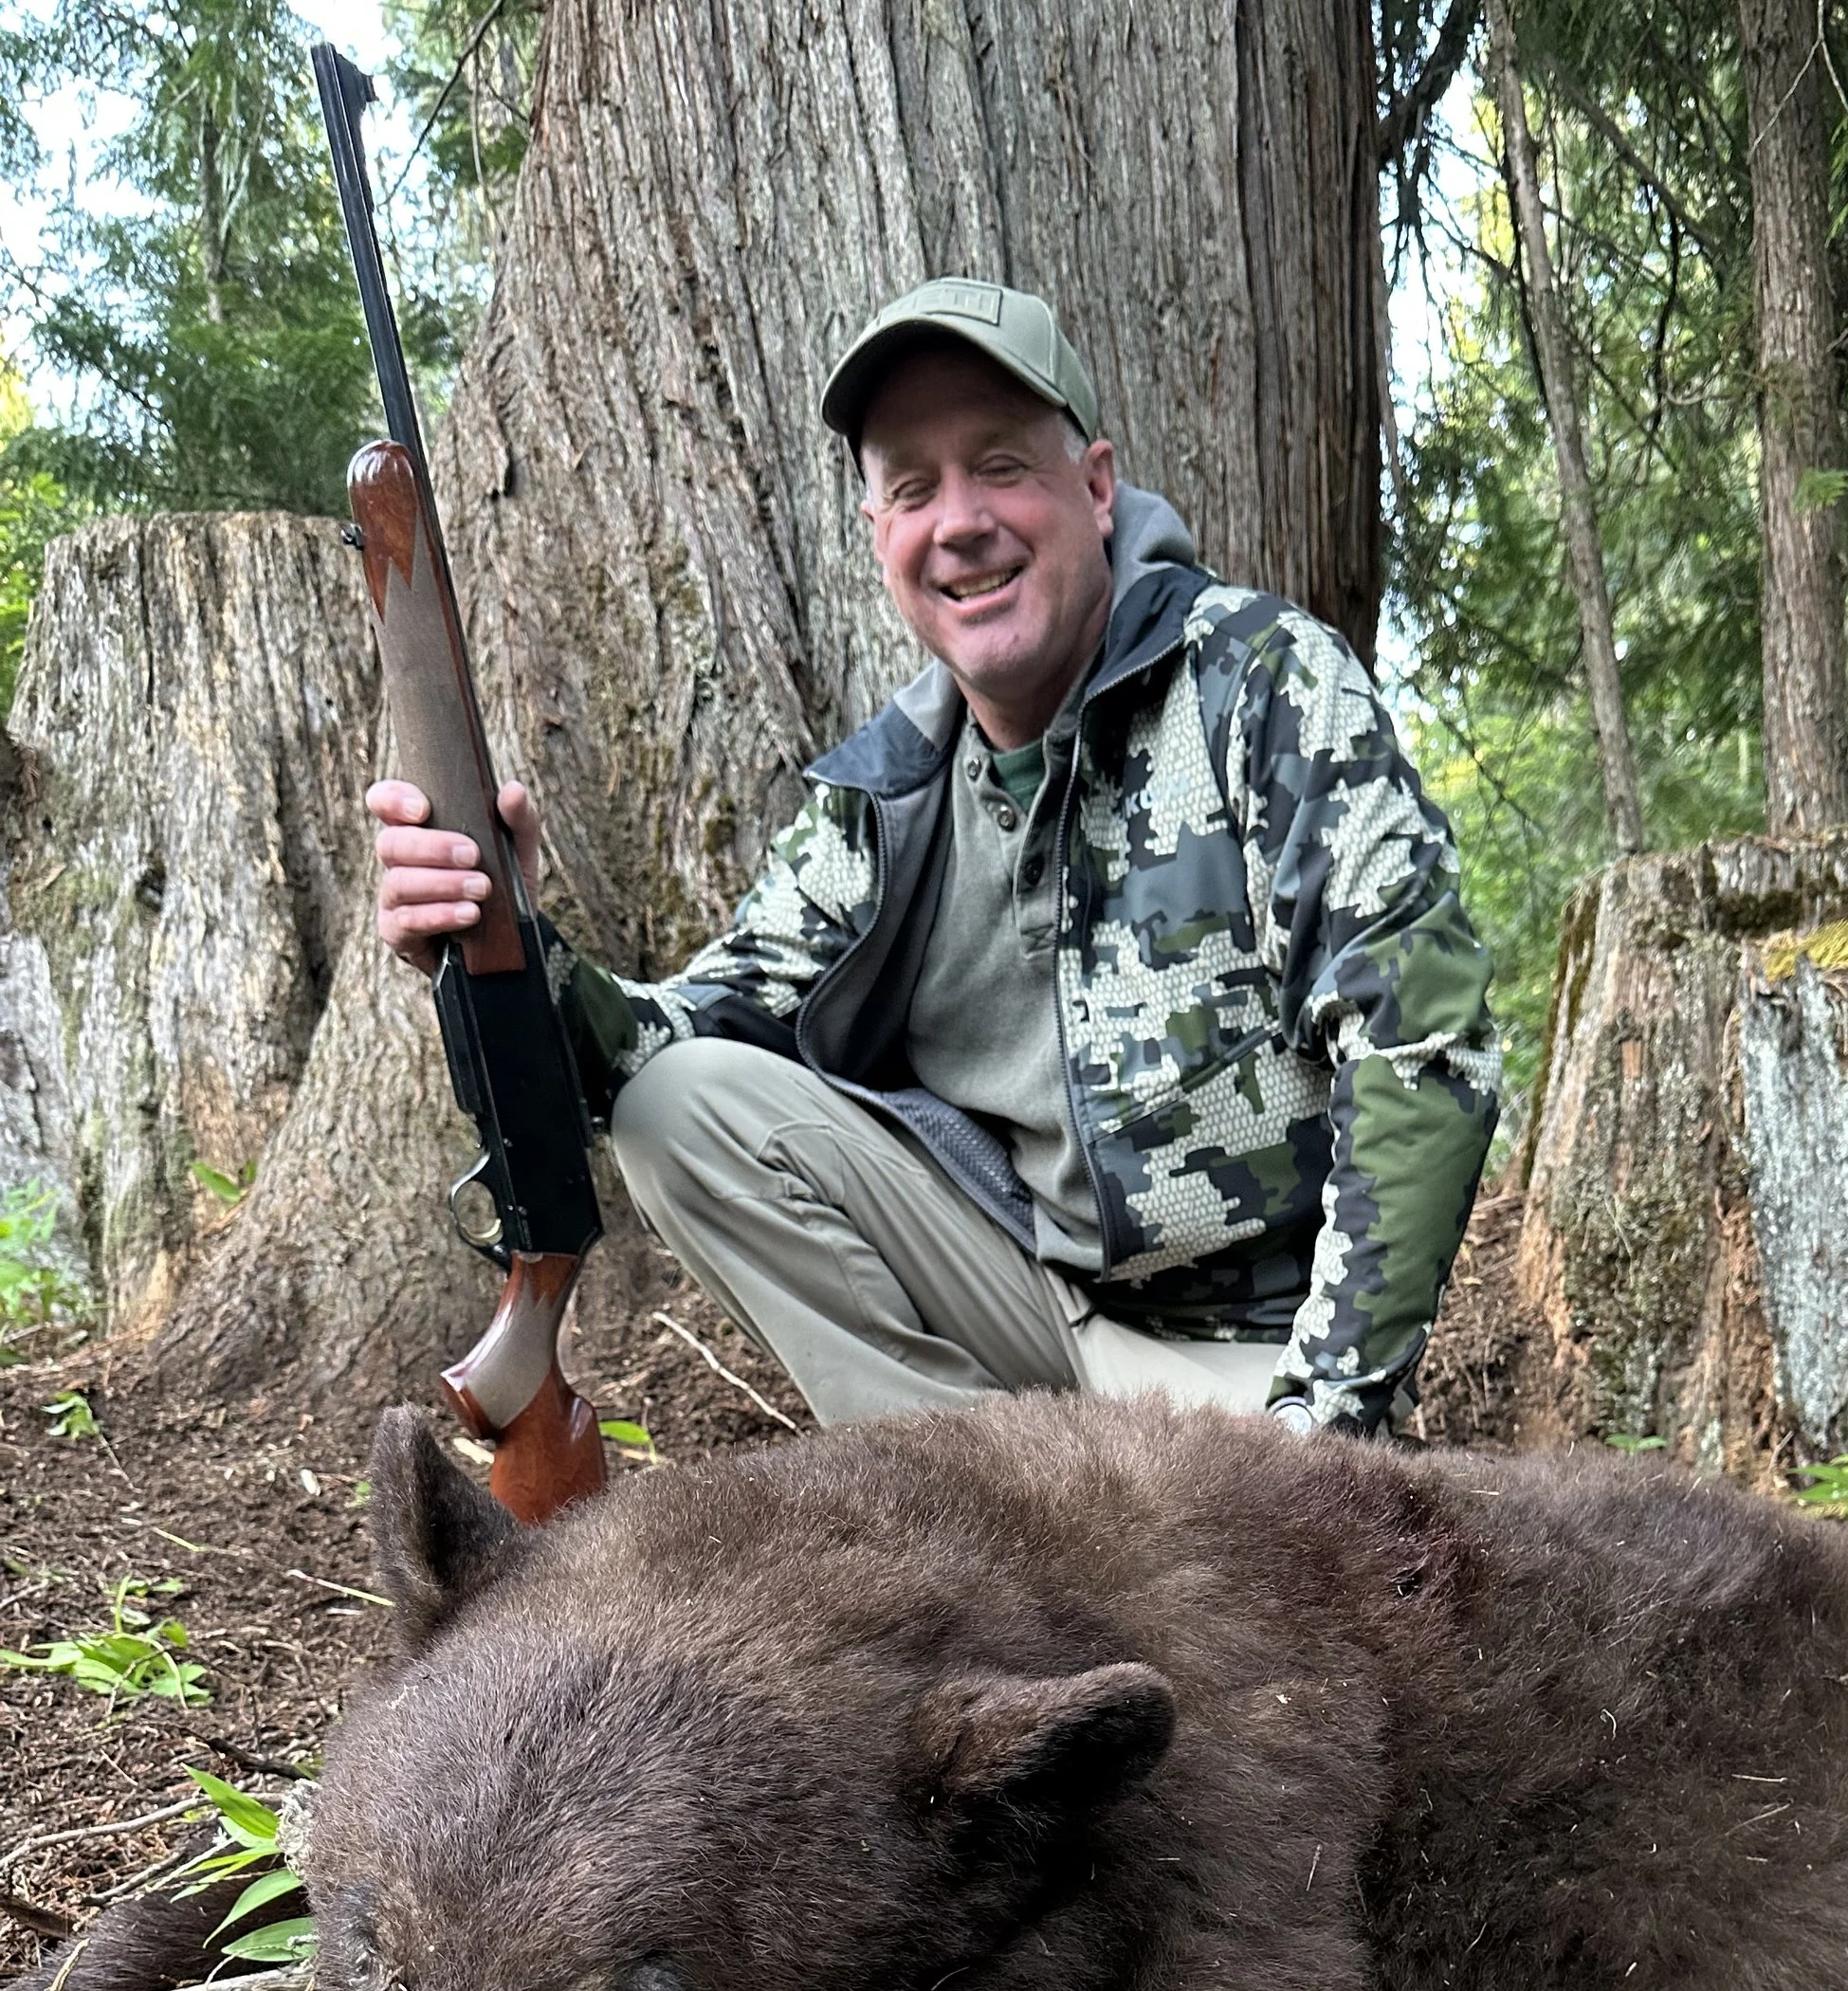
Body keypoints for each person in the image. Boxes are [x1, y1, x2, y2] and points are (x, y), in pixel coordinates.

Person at [371, 279, 1499, 1434]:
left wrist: (1328, 1421)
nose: (958, 521)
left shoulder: (1257, 682)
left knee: (1273, 1543)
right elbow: (659, 1044)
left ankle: (1139, 1536)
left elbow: (1424, 1037)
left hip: (1254, 1365)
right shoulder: (890, 790)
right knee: (681, 1104)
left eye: (1001, 466)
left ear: (1097, 488)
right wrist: (504, 941)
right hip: (1030, 1315)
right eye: (912, 487)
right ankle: (981, 1542)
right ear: (879, 536)